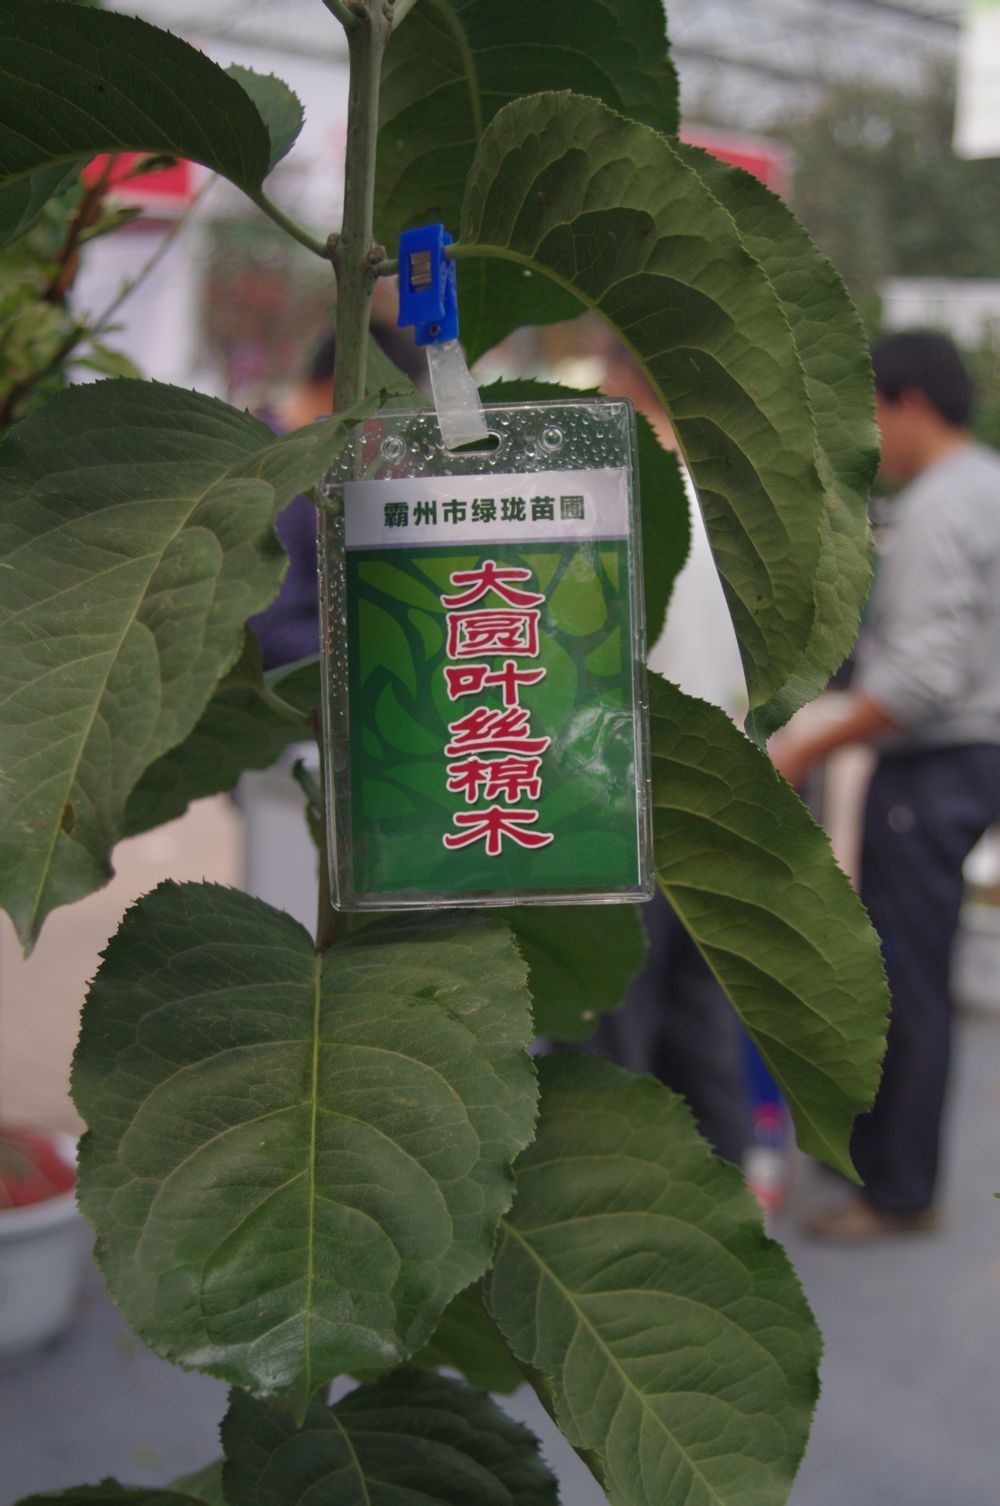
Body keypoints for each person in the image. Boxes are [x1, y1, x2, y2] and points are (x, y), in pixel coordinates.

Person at [772, 330, 1000, 1239]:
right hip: (976, 755)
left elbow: (919, 681)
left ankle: (897, 1194)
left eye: (872, 412)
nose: (869, 435)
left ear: (909, 404)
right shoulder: (987, 484)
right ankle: (887, 1169)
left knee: (900, 977)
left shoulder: (939, 507)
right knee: (914, 967)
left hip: (937, 763)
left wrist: (807, 745)